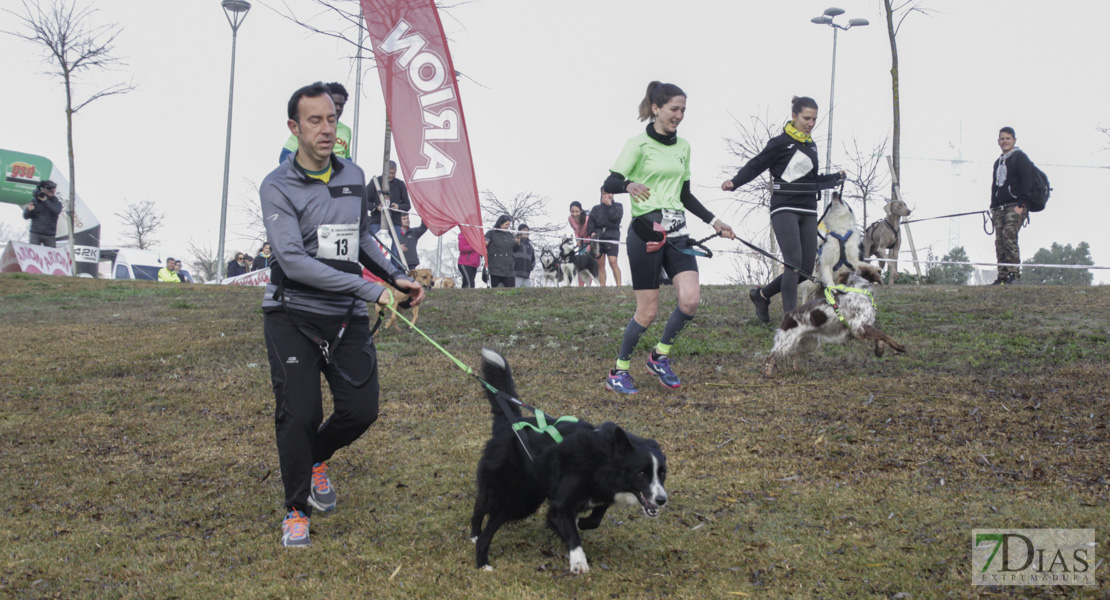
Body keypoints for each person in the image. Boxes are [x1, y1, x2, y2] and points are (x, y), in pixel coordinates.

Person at [260, 82, 424, 548]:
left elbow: (362, 236)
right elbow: (293, 261)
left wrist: (396, 276)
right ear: (294, 128)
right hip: (292, 315)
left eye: (331, 119)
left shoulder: (353, 173)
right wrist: (369, 289)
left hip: (346, 315)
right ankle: (295, 509)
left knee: (361, 411)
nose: (327, 129)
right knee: (300, 414)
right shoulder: (277, 186)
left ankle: (313, 460)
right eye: (315, 120)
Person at [601, 81, 735, 394]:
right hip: (646, 232)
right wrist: (629, 184)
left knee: (690, 300)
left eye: (683, 110)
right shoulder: (638, 144)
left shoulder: (683, 147)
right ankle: (618, 371)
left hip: (678, 232)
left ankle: (659, 357)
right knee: (647, 312)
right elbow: (611, 180)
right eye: (674, 109)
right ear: (657, 108)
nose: (679, 115)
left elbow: (685, 194)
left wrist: (714, 221)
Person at [722, 95, 845, 323]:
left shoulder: (811, 145)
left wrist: (834, 178)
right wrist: (735, 181)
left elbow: (811, 178)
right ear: (794, 116)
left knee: (806, 268)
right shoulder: (780, 142)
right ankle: (792, 319)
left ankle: (762, 295)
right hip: (784, 206)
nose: (810, 123)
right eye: (806, 118)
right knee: (793, 262)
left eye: (814, 119)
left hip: (808, 208)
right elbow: (757, 164)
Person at [990, 126, 1032, 285]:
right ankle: (1002, 276)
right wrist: (993, 205)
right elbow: (995, 185)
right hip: (1000, 207)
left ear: (1014, 140)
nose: (1004, 141)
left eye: (1008, 138)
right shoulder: (998, 162)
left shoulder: (1020, 158)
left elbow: (1027, 181)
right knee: (999, 240)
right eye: (1002, 138)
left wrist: (1022, 204)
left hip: (1015, 205)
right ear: (998, 141)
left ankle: (1014, 275)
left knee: (1009, 237)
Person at [279, 82, 352, 162]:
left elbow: (347, 159)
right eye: (335, 104)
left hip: (338, 173)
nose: (338, 108)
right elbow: (285, 156)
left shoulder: (346, 130)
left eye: (341, 105)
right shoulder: (306, 128)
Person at [369, 160, 411, 269]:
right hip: (377, 222)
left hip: (394, 222)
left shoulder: (400, 184)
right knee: (374, 249)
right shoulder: (375, 182)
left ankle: (394, 274)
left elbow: (407, 205)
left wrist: (398, 206)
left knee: (394, 252)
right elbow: (364, 200)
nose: (391, 175)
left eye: (393, 173)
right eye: (389, 173)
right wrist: (375, 207)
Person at [588, 189, 624, 286]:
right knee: (600, 263)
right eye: (604, 193)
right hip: (599, 238)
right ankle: (602, 286)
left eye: (609, 193)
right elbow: (591, 223)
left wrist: (609, 205)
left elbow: (616, 218)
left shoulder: (618, 206)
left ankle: (619, 285)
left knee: (613, 261)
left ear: (612, 194)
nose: (606, 195)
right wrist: (592, 232)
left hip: (612, 237)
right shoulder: (595, 208)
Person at [22, 180, 63, 247]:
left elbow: (56, 211)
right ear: (43, 190)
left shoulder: (56, 202)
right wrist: (29, 210)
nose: (52, 191)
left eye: (53, 190)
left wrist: (45, 201)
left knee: (51, 254)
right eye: (50, 190)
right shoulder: (35, 201)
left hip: (50, 234)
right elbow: (25, 216)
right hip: (35, 233)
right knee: (34, 253)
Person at [484, 214, 515, 288]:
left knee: (511, 290)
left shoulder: (510, 235)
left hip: (509, 269)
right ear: (500, 224)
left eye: (509, 225)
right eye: (506, 224)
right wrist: (485, 242)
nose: (507, 227)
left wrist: (517, 243)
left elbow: (514, 249)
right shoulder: (491, 233)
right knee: (492, 290)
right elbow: (485, 243)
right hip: (495, 268)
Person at [512, 223, 536, 288]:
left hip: (527, 276)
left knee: (527, 296)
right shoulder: (513, 242)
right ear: (519, 231)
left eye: (527, 230)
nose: (526, 231)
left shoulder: (530, 246)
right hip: (515, 274)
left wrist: (530, 268)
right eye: (524, 229)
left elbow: (533, 261)